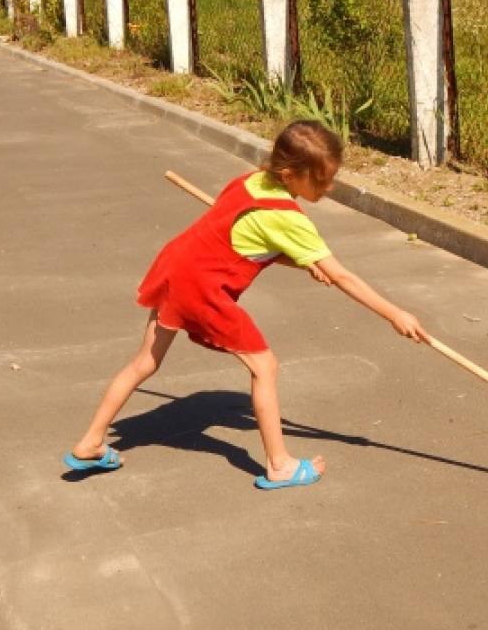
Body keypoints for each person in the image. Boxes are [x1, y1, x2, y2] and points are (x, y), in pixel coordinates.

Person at [64, 120, 429, 489]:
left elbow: (248, 241)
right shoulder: (288, 218)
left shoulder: (250, 181)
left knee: (146, 360)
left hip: (177, 267)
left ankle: (91, 442)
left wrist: (303, 260)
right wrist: (394, 313)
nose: (329, 187)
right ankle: (280, 465)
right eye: (321, 180)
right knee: (265, 366)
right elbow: (343, 276)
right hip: (201, 286)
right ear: (289, 174)